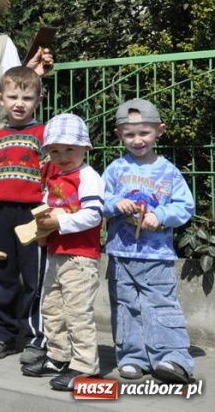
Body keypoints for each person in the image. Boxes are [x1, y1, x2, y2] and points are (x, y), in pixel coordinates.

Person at [102, 99, 195, 385]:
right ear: (119, 135)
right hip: (120, 253)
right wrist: (116, 203)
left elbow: (185, 206)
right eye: (129, 134)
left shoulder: (169, 171)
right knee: (125, 306)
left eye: (144, 133)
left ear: (159, 131)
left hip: (157, 256)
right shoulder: (115, 169)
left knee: (161, 304)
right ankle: (132, 357)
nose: (137, 140)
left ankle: (174, 358)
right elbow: (98, 202)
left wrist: (161, 215)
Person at [22, 114, 104, 391]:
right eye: (55, 151)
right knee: (52, 308)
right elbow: (47, 210)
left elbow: (93, 215)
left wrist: (60, 222)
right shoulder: (55, 176)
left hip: (81, 256)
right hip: (56, 252)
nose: (62, 155)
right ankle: (59, 356)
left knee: (77, 312)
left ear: (85, 149)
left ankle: (85, 366)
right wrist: (41, 229)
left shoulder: (88, 176)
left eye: (70, 149)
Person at [0, 67, 48, 362]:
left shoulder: (43, 134)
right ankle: (4, 335)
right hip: (1, 215)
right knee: (2, 278)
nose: (19, 103)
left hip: (32, 215)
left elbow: (51, 176)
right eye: (13, 96)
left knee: (35, 279)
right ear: (0, 98)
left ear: (39, 99)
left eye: (27, 97)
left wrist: (46, 214)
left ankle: (35, 339)